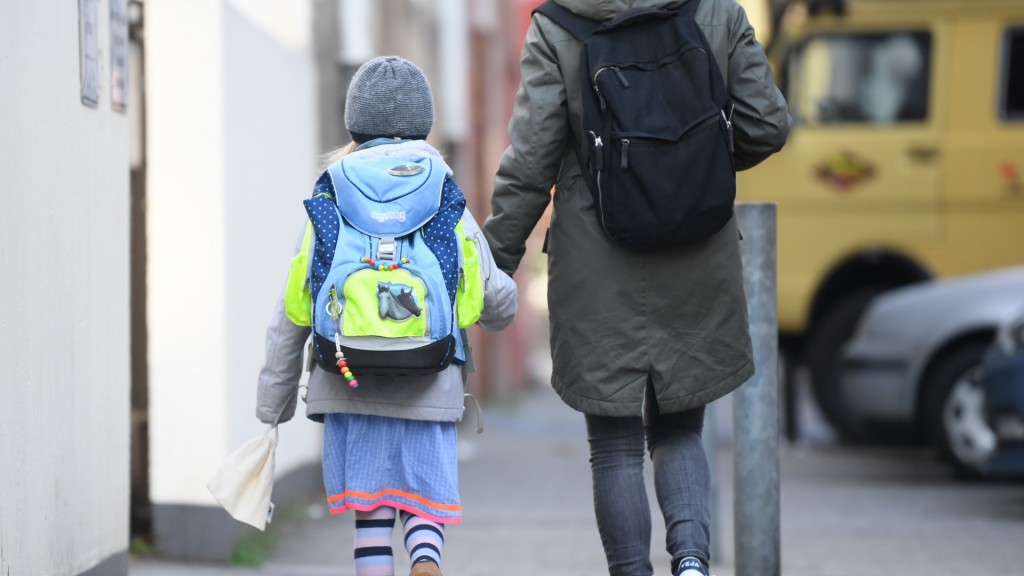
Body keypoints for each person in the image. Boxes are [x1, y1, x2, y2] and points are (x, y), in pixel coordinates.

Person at [482, 1, 789, 576]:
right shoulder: (716, 10)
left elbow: (531, 161)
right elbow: (767, 123)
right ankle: (693, 561)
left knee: (616, 445)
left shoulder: (557, 23)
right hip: (696, 249)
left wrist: (491, 261)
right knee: (680, 427)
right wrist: (694, 166)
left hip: (598, 258)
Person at [257, 56, 518, 576]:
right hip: (430, 381)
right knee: (422, 503)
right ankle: (425, 558)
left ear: (355, 123)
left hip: (349, 380)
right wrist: (503, 311)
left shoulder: (329, 196)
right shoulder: (445, 196)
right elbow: (493, 296)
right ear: (423, 124)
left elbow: (293, 308)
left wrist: (273, 404)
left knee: (372, 516)